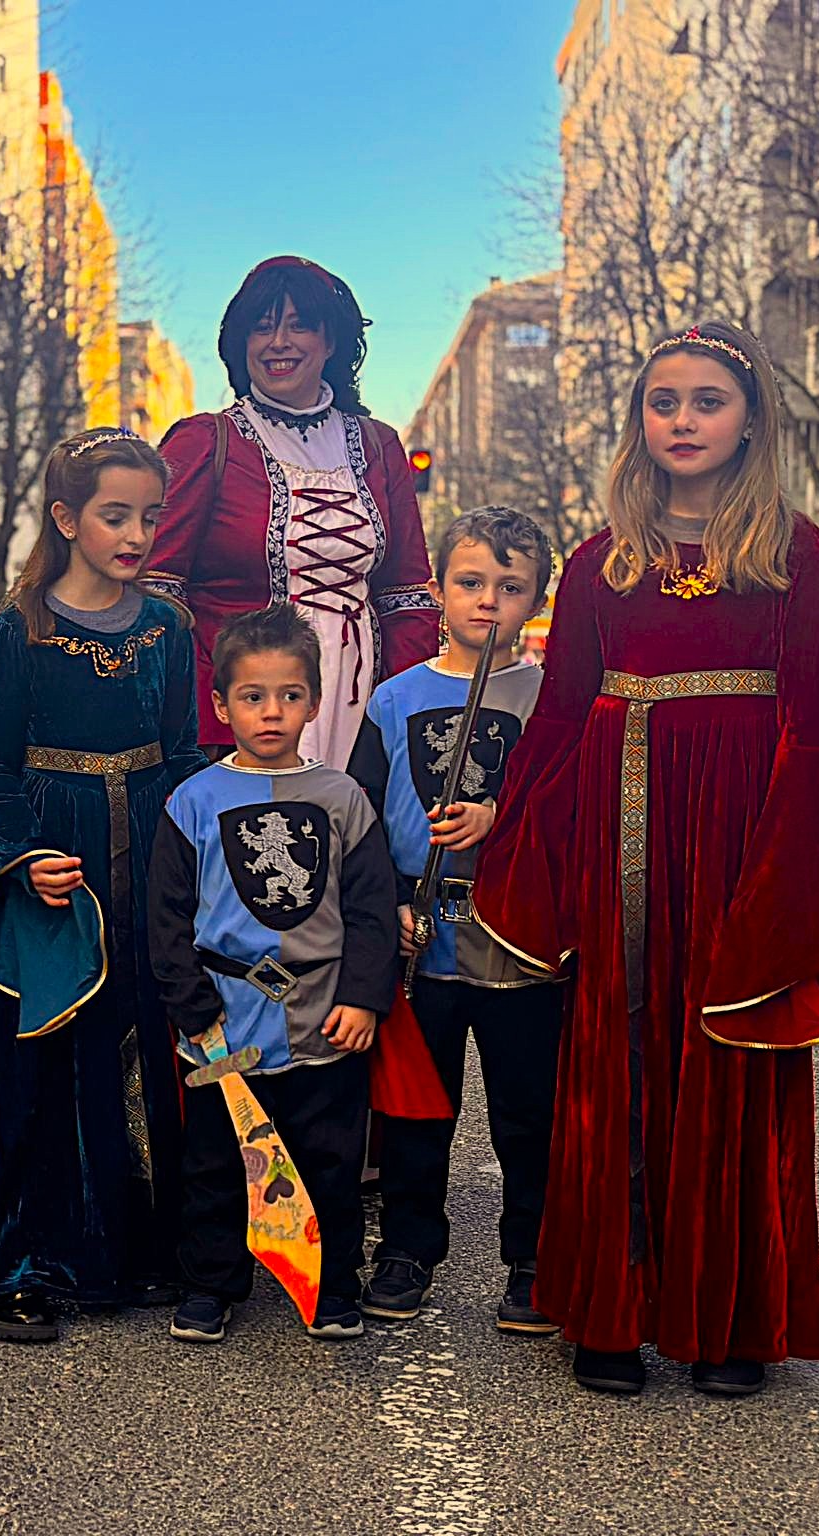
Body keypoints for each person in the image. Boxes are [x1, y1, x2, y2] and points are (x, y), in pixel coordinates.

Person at [475, 321, 819, 1399]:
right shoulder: (598, 563)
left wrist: (788, 876)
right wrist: (515, 838)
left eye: (708, 401)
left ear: (749, 420)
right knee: (614, 1055)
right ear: (638, 422)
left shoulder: (798, 559)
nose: (684, 420)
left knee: (727, 1051)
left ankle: (726, 1318)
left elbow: (817, 733)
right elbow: (561, 718)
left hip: (741, 838)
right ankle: (608, 1310)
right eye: (664, 402)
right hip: (620, 837)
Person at [0, 427, 207, 1343]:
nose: (136, 535)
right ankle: (18, 1262)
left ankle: (131, 1247)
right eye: (114, 515)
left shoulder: (169, 628)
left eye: (150, 517)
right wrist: (20, 857)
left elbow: (183, 754)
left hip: (148, 852)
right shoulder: (15, 632)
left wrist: (197, 855)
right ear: (65, 518)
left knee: (140, 1046)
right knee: (44, 1055)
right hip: (56, 864)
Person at [148, 603, 401, 1344]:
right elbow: (165, 917)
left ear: (314, 703)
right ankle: (210, 1282)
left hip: (324, 1012)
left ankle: (333, 1284)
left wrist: (363, 998)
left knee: (329, 1160)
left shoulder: (342, 798)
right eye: (252, 696)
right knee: (218, 1161)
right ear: (222, 704)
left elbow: (372, 910)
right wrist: (192, 1006)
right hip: (226, 1015)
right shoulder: (193, 800)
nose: (271, 712)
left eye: (290, 695)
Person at [346, 507, 564, 1334]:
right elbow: (362, 817)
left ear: (536, 600)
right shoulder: (395, 697)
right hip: (422, 934)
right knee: (415, 1109)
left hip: (518, 937)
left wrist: (499, 816)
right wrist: (389, 906)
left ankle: (534, 1257)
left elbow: (567, 809)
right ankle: (407, 1248)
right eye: (470, 582)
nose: (488, 601)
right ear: (439, 590)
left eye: (511, 587)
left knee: (527, 1110)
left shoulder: (551, 698)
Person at [147, 256, 439, 767]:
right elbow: (159, 593)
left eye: (299, 325)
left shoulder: (380, 446)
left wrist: (401, 714)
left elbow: (406, 595)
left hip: (360, 705)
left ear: (331, 341)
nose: (278, 342)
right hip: (239, 716)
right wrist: (202, 709)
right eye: (262, 327)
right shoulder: (205, 442)